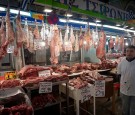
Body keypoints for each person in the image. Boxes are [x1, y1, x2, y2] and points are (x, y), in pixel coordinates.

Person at [117, 45, 135, 115]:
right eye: (127, 51)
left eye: (131, 51)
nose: (129, 53)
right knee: (125, 108)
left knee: (133, 110)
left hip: (134, 90)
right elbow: (119, 75)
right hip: (124, 90)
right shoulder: (121, 63)